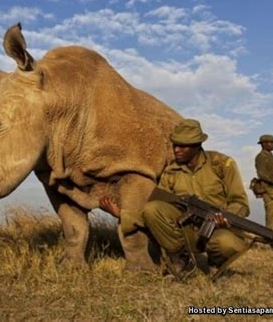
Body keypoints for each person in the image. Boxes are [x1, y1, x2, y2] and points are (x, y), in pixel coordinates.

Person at [100, 119, 249, 278]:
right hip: (188, 233)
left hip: (219, 230)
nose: (176, 149)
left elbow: (240, 203)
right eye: (175, 144)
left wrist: (226, 216)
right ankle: (182, 263)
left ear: (197, 145)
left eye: (183, 146)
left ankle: (215, 263)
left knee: (225, 244)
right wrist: (121, 214)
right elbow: (154, 212)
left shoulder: (222, 164)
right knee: (153, 208)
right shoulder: (171, 172)